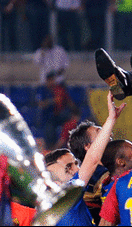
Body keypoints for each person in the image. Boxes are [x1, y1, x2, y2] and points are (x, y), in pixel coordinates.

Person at [44, 92, 126, 226]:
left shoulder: (45, 211)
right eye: (68, 167)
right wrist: (111, 119)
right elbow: (92, 159)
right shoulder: (66, 197)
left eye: (75, 163)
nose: (76, 169)